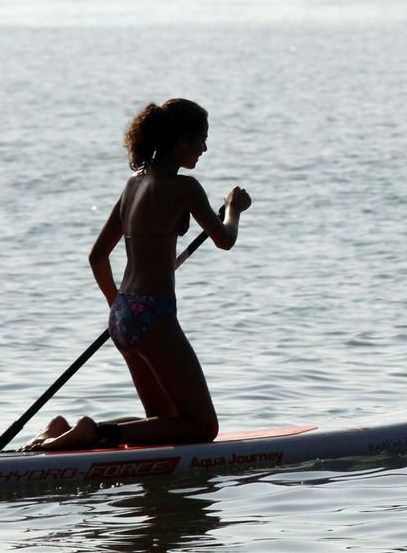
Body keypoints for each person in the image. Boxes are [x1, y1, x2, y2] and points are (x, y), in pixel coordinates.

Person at [25, 98, 250, 451]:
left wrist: (122, 308)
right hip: (153, 316)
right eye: (201, 139)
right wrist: (234, 210)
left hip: (124, 314)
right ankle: (94, 432)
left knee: (163, 423)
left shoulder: (132, 184)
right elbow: (225, 239)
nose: (205, 147)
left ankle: (64, 429)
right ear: (180, 140)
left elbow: (97, 256)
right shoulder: (185, 188)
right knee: (203, 427)